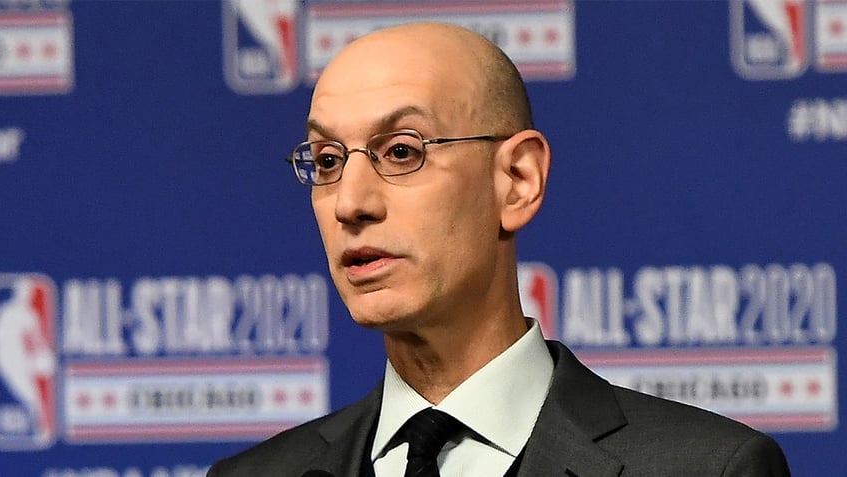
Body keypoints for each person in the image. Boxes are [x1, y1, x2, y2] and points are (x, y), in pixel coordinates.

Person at [208, 22, 791, 477]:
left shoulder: (705, 470)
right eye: (329, 160)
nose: (349, 204)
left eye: (402, 152)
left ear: (517, 180)